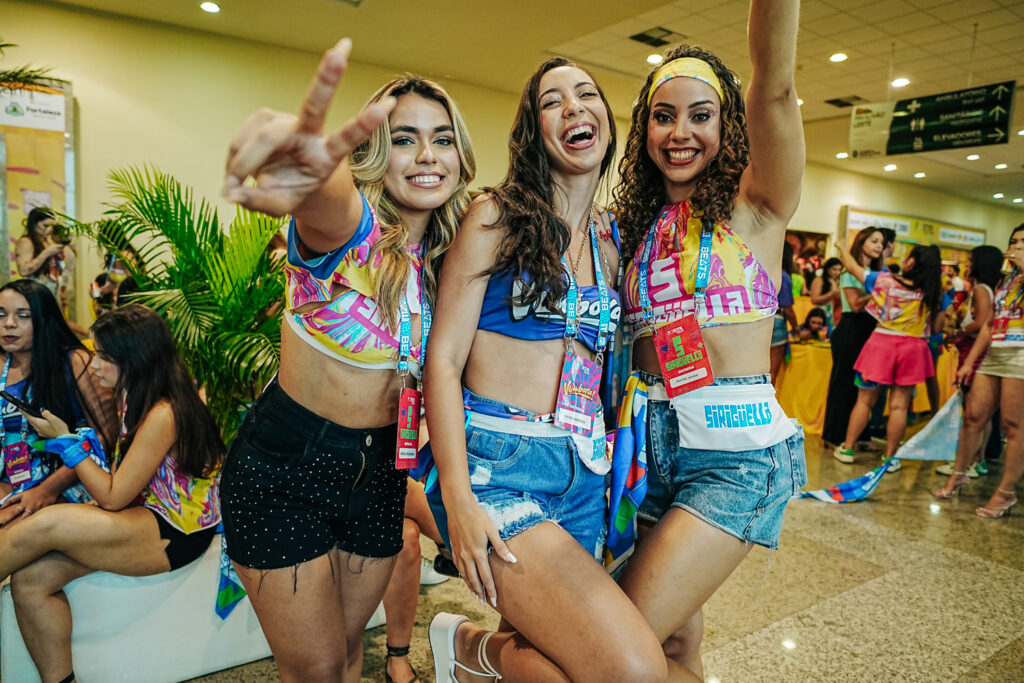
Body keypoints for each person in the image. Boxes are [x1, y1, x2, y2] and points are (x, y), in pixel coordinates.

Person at [220, 39, 477, 683]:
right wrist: (303, 165)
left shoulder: (450, 263)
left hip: (381, 474)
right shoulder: (352, 233)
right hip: (285, 469)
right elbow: (327, 202)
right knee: (313, 671)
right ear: (371, 152)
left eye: (442, 140)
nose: (426, 156)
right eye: (404, 138)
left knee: (345, 658)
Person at [424, 57, 667, 683]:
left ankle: (471, 654)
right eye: (552, 101)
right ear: (535, 132)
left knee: (549, 665)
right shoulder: (495, 218)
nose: (574, 108)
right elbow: (443, 361)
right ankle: (467, 650)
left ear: (608, 124)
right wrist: (458, 498)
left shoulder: (611, 242)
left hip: (586, 475)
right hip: (499, 470)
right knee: (634, 670)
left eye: (586, 94)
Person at [613, 0, 805, 677]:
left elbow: (775, 85)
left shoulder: (756, 206)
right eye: (663, 116)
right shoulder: (632, 227)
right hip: (646, 449)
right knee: (672, 647)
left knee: (615, 640)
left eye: (702, 115)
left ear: (730, 123)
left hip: (732, 455)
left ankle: (469, 652)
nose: (680, 132)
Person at [0, 303, 223, 683]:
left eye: (104, 356)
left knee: (48, 521)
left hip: (177, 532)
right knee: (31, 580)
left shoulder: (163, 413)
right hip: (146, 514)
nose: (95, 364)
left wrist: (66, 442)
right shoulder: (135, 394)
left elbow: (114, 496)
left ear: (134, 359)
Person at [0, 280, 117, 526]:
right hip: (11, 482)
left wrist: (49, 489)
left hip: (68, 485)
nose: (8, 323)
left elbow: (105, 438)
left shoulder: (76, 363)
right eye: (1, 314)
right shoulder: (2, 364)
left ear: (43, 320)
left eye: (23, 316)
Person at [934, 225, 1024, 515]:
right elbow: (988, 324)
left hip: (1020, 357)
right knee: (973, 416)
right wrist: (971, 361)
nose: (1017, 246)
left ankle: (1006, 491)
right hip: (994, 353)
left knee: (1013, 425)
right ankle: (958, 474)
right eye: (1014, 241)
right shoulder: (1006, 281)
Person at [833, 244, 944, 471]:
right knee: (899, 407)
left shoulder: (884, 280)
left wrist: (841, 247)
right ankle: (890, 458)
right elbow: (937, 327)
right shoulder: (934, 291)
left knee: (864, 400)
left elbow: (852, 267)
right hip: (913, 348)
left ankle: (848, 449)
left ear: (911, 262)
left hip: (881, 344)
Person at [935, 245, 1001, 480]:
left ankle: (971, 461)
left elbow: (983, 322)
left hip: (973, 352)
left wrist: (958, 332)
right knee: (981, 413)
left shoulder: (981, 290)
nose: (967, 264)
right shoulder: (989, 289)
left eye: (972, 260)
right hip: (976, 352)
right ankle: (979, 460)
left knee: (973, 412)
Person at [822, 227, 884, 452]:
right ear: (862, 243)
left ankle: (859, 436)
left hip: (869, 330)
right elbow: (856, 305)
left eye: (881, 242)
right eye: (874, 241)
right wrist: (879, 292)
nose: (879, 246)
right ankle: (832, 436)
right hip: (850, 329)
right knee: (843, 385)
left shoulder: (873, 273)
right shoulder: (851, 273)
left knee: (863, 388)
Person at [16, 208, 66, 298]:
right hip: (36, 288)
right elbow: (23, 271)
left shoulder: (46, 240)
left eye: (52, 226)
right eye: (45, 226)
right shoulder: (26, 241)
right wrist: (46, 253)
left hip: (52, 286)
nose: (49, 229)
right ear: (34, 224)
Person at [771, 243, 798, 384]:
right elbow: (788, 309)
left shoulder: (760, 269)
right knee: (772, 372)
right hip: (777, 321)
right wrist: (797, 328)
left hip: (758, 320)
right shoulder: (784, 276)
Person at [810, 256, 842, 332]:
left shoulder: (834, 281)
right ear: (827, 269)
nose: (837, 272)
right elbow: (814, 300)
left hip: (830, 313)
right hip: (820, 314)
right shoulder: (819, 280)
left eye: (839, 270)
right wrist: (831, 294)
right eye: (834, 269)